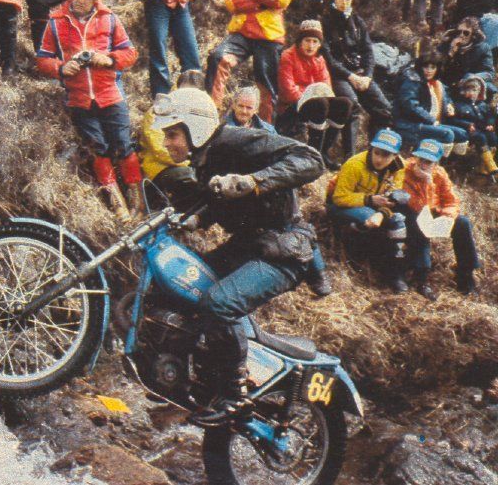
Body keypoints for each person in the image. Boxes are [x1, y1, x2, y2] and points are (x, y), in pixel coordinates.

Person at [152, 87, 325, 425]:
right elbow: (224, 200)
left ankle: (236, 395)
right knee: (183, 288)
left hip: (284, 250)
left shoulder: (236, 140)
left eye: (172, 134)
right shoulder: (204, 160)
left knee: (219, 303)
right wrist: (197, 218)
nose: (167, 143)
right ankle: (188, 382)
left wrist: (253, 181)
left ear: (194, 128)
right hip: (249, 245)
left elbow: (311, 160)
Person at [36, 0, 143, 222]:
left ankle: (138, 201)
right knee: (98, 149)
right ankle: (117, 203)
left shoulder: (110, 19)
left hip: (110, 94)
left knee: (124, 146)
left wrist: (108, 59)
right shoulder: (55, 21)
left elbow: (130, 53)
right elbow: (42, 58)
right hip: (79, 98)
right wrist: (62, 68)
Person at [205, 0, 294, 124]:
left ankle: (266, 130)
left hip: (269, 34)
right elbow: (231, 1)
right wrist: (262, 3)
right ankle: (209, 119)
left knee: (266, 83)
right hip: (241, 31)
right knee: (218, 58)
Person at [327, 129, 409, 292]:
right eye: (377, 153)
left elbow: (392, 198)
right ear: (371, 149)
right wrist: (369, 200)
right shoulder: (354, 164)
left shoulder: (399, 167)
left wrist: (382, 213)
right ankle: (356, 250)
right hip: (341, 205)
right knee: (368, 216)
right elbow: (339, 197)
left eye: (385, 155)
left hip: (375, 206)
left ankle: (396, 273)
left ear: (394, 156)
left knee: (398, 222)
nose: (379, 159)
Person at [403, 139, 481, 298]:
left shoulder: (440, 173)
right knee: (421, 225)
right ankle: (422, 278)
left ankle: (465, 275)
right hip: (413, 212)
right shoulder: (405, 170)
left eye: (428, 161)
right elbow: (417, 203)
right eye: (421, 159)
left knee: (463, 223)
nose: (423, 164)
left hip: (434, 211)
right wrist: (427, 183)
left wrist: (447, 216)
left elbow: (452, 201)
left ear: (436, 163)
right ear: (415, 157)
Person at [321, 0, 392, 156]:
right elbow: (328, 58)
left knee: (384, 108)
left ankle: (375, 152)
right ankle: (350, 157)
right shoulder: (325, 22)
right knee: (351, 105)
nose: (344, 2)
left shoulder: (357, 21)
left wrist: (368, 75)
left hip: (360, 73)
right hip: (338, 75)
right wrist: (350, 76)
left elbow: (368, 51)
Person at [277, 19, 353, 170]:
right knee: (320, 103)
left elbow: (326, 89)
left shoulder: (319, 60)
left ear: (319, 44)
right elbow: (288, 91)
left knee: (345, 104)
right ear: (299, 41)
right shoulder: (288, 56)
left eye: (315, 41)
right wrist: (310, 95)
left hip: (314, 105)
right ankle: (312, 154)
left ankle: (323, 151)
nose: (311, 46)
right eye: (307, 40)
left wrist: (312, 94)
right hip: (290, 109)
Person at [123, 0, 201, 98]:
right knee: (158, 51)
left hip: (181, 0)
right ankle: (161, 98)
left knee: (190, 51)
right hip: (157, 1)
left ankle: (193, 96)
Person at [139, 70, 205, 209]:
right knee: (190, 178)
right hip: (159, 168)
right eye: (185, 92)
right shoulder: (158, 111)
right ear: (177, 88)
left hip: (186, 165)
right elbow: (159, 149)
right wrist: (188, 163)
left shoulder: (200, 113)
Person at [392, 52, 468, 154]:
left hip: (429, 122)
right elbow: (410, 106)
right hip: (409, 124)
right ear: (420, 67)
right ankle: (434, 161)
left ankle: (450, 164)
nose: (429, 70)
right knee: (447, 134)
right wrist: (431, 119)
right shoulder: (412, 81)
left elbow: (446, 97)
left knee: (462, 134)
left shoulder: (436, 83)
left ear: (437, 69)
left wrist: (450, 105)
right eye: (426, 67)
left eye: (433, 67)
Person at [448, 75, 498, 177]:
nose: (471, 93)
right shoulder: (459, 105)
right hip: (469, 130)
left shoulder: (482, 105)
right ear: (463, 91)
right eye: (468, 90)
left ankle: (484, 166)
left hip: (482, 128)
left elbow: (490, 116)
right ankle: (490, 165)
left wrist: (489, 124)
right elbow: (453, 119)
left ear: (479, 91)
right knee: (481, 137)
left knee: (492, 138)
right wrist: (467, 124)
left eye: (474, 90)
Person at [438, 17, 496, 95]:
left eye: (466, 33)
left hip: (472, 85)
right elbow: (436, 67)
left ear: (473, 35)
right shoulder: (446, 44)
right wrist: (450, 53)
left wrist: (471, 77)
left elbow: (489, 73)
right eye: (459, 32)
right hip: (449, 83)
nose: (461, 35)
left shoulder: (483, 48)